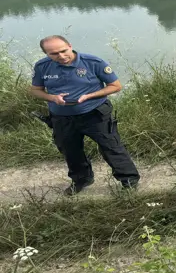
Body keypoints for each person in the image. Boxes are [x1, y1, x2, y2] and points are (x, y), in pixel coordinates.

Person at [29, 35, 140, 195]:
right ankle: (82, 180)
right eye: (54, 54)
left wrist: (90, 95)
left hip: (94, 114)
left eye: (63, 50)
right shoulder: (42, 66)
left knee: (111, 147)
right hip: (61, 118)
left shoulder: (93, 62)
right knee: (70, 151)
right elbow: (35, 90)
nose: (61, 56)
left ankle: (129, 181)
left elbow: (115, 86)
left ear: (70, 46)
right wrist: (52, 98)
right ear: (46, 54)